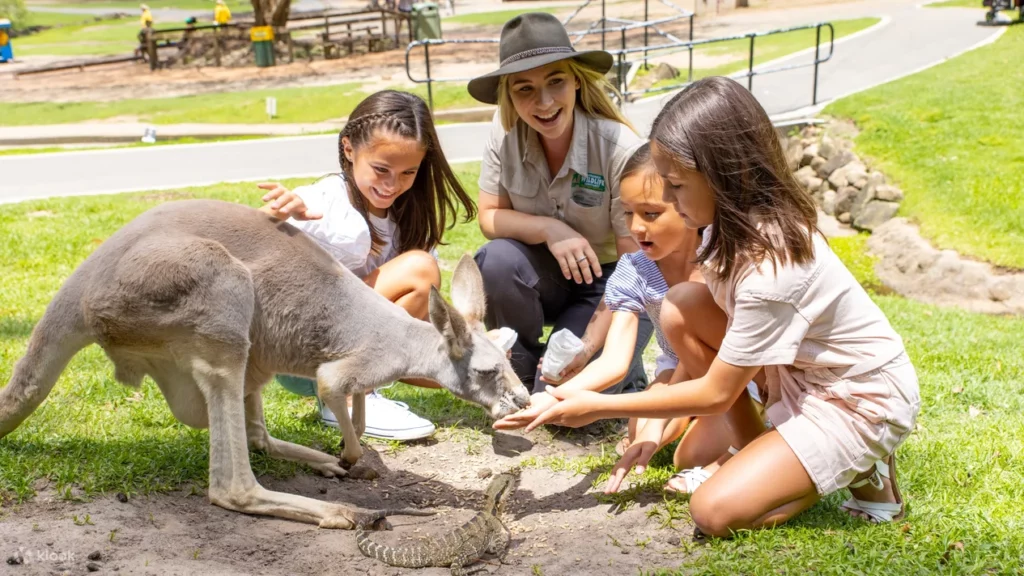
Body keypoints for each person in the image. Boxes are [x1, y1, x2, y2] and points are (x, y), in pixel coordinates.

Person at [522, 76, 920, 536]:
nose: (668, 201)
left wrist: (598, 406)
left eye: (675, 185)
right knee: (680, 305)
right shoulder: (720, 226)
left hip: (855, 397)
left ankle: (857, 466)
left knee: (713, 512)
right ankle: (772, 454)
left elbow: (715, 393)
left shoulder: (773, 265)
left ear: (722, 174)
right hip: (789, 376)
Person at [494, 143, 764, 484]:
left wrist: (655, 422)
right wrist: (550, 398)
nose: (635, 227)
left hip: (732, 370)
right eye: (627, 213)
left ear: (685, 208)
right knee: (642, 429)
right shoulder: (634, 268)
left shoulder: (714, 261)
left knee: (687, 455)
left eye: (650, 214)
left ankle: (752, 419)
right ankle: (697, 420)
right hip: (677, 369)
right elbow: (614, 362)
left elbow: (691, 360)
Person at [257, 90, 478, 441]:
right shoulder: (322, 200)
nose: (392, 184)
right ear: (349, 149)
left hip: (339, 346)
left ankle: (361, 389)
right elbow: (251, 253)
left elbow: (415, 323)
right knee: (420, 271)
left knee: (457, 356)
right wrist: (276, 217)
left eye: (408, 172)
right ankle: (345, 399)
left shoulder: (408, 217)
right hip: (300, 350)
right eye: (381, 169)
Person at [468, 12, 654, 409]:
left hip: (611, 283)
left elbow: (638, 263)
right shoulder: (503, 137)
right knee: (496, 260)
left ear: (576, 81)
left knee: (565, 399)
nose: (544, 102)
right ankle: (522, 365)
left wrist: (588, 347)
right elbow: (489, 217)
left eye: (556, 82)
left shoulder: (620, 147)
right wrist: (551, 229)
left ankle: (616, 365)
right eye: (525, 89)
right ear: (508, 96)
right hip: (545, 274)